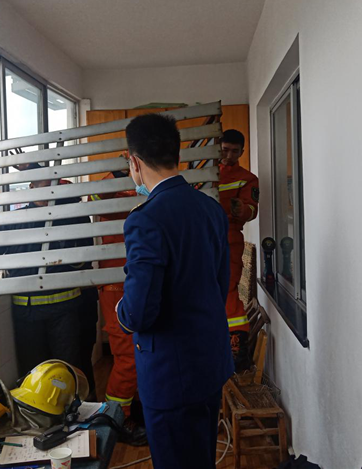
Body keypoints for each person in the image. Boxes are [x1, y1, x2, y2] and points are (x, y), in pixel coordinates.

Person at [116, 113, 233, 468]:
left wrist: (122, 309)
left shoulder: (145, 219)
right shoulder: (210, 208)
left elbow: (139, 313)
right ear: (176, 154)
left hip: (170, 374)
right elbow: (220, 284)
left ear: (135, 163)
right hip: (209, 363)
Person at [0, 170, 97, 394]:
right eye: (38, 185)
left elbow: (84, 260)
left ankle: (77, 413)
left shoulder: (72, 217)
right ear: (30, 187)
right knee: (34, 375)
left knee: (68, 373)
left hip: (64, 309)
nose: (42, 191)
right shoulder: (16, 219)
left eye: (47, 186)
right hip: (27, 313)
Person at [89, 166, 147, 445]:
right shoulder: (109, 187)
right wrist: (116, 175)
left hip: (136, 280)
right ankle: (117, 418)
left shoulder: (144, 188)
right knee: (128, 357)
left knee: (139, 352)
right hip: (116, 285)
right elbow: (94, 199)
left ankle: (132, 410)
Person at [218, 129, 259, 372]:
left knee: (228, 288)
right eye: (225, 150)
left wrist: (242, 210)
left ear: (242, 152)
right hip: (200, 238)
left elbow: (252, 210)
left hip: (229, 237)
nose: (229, 155)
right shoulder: (202, 171)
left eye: (235, 151)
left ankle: (237, 348)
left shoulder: (247, 178)